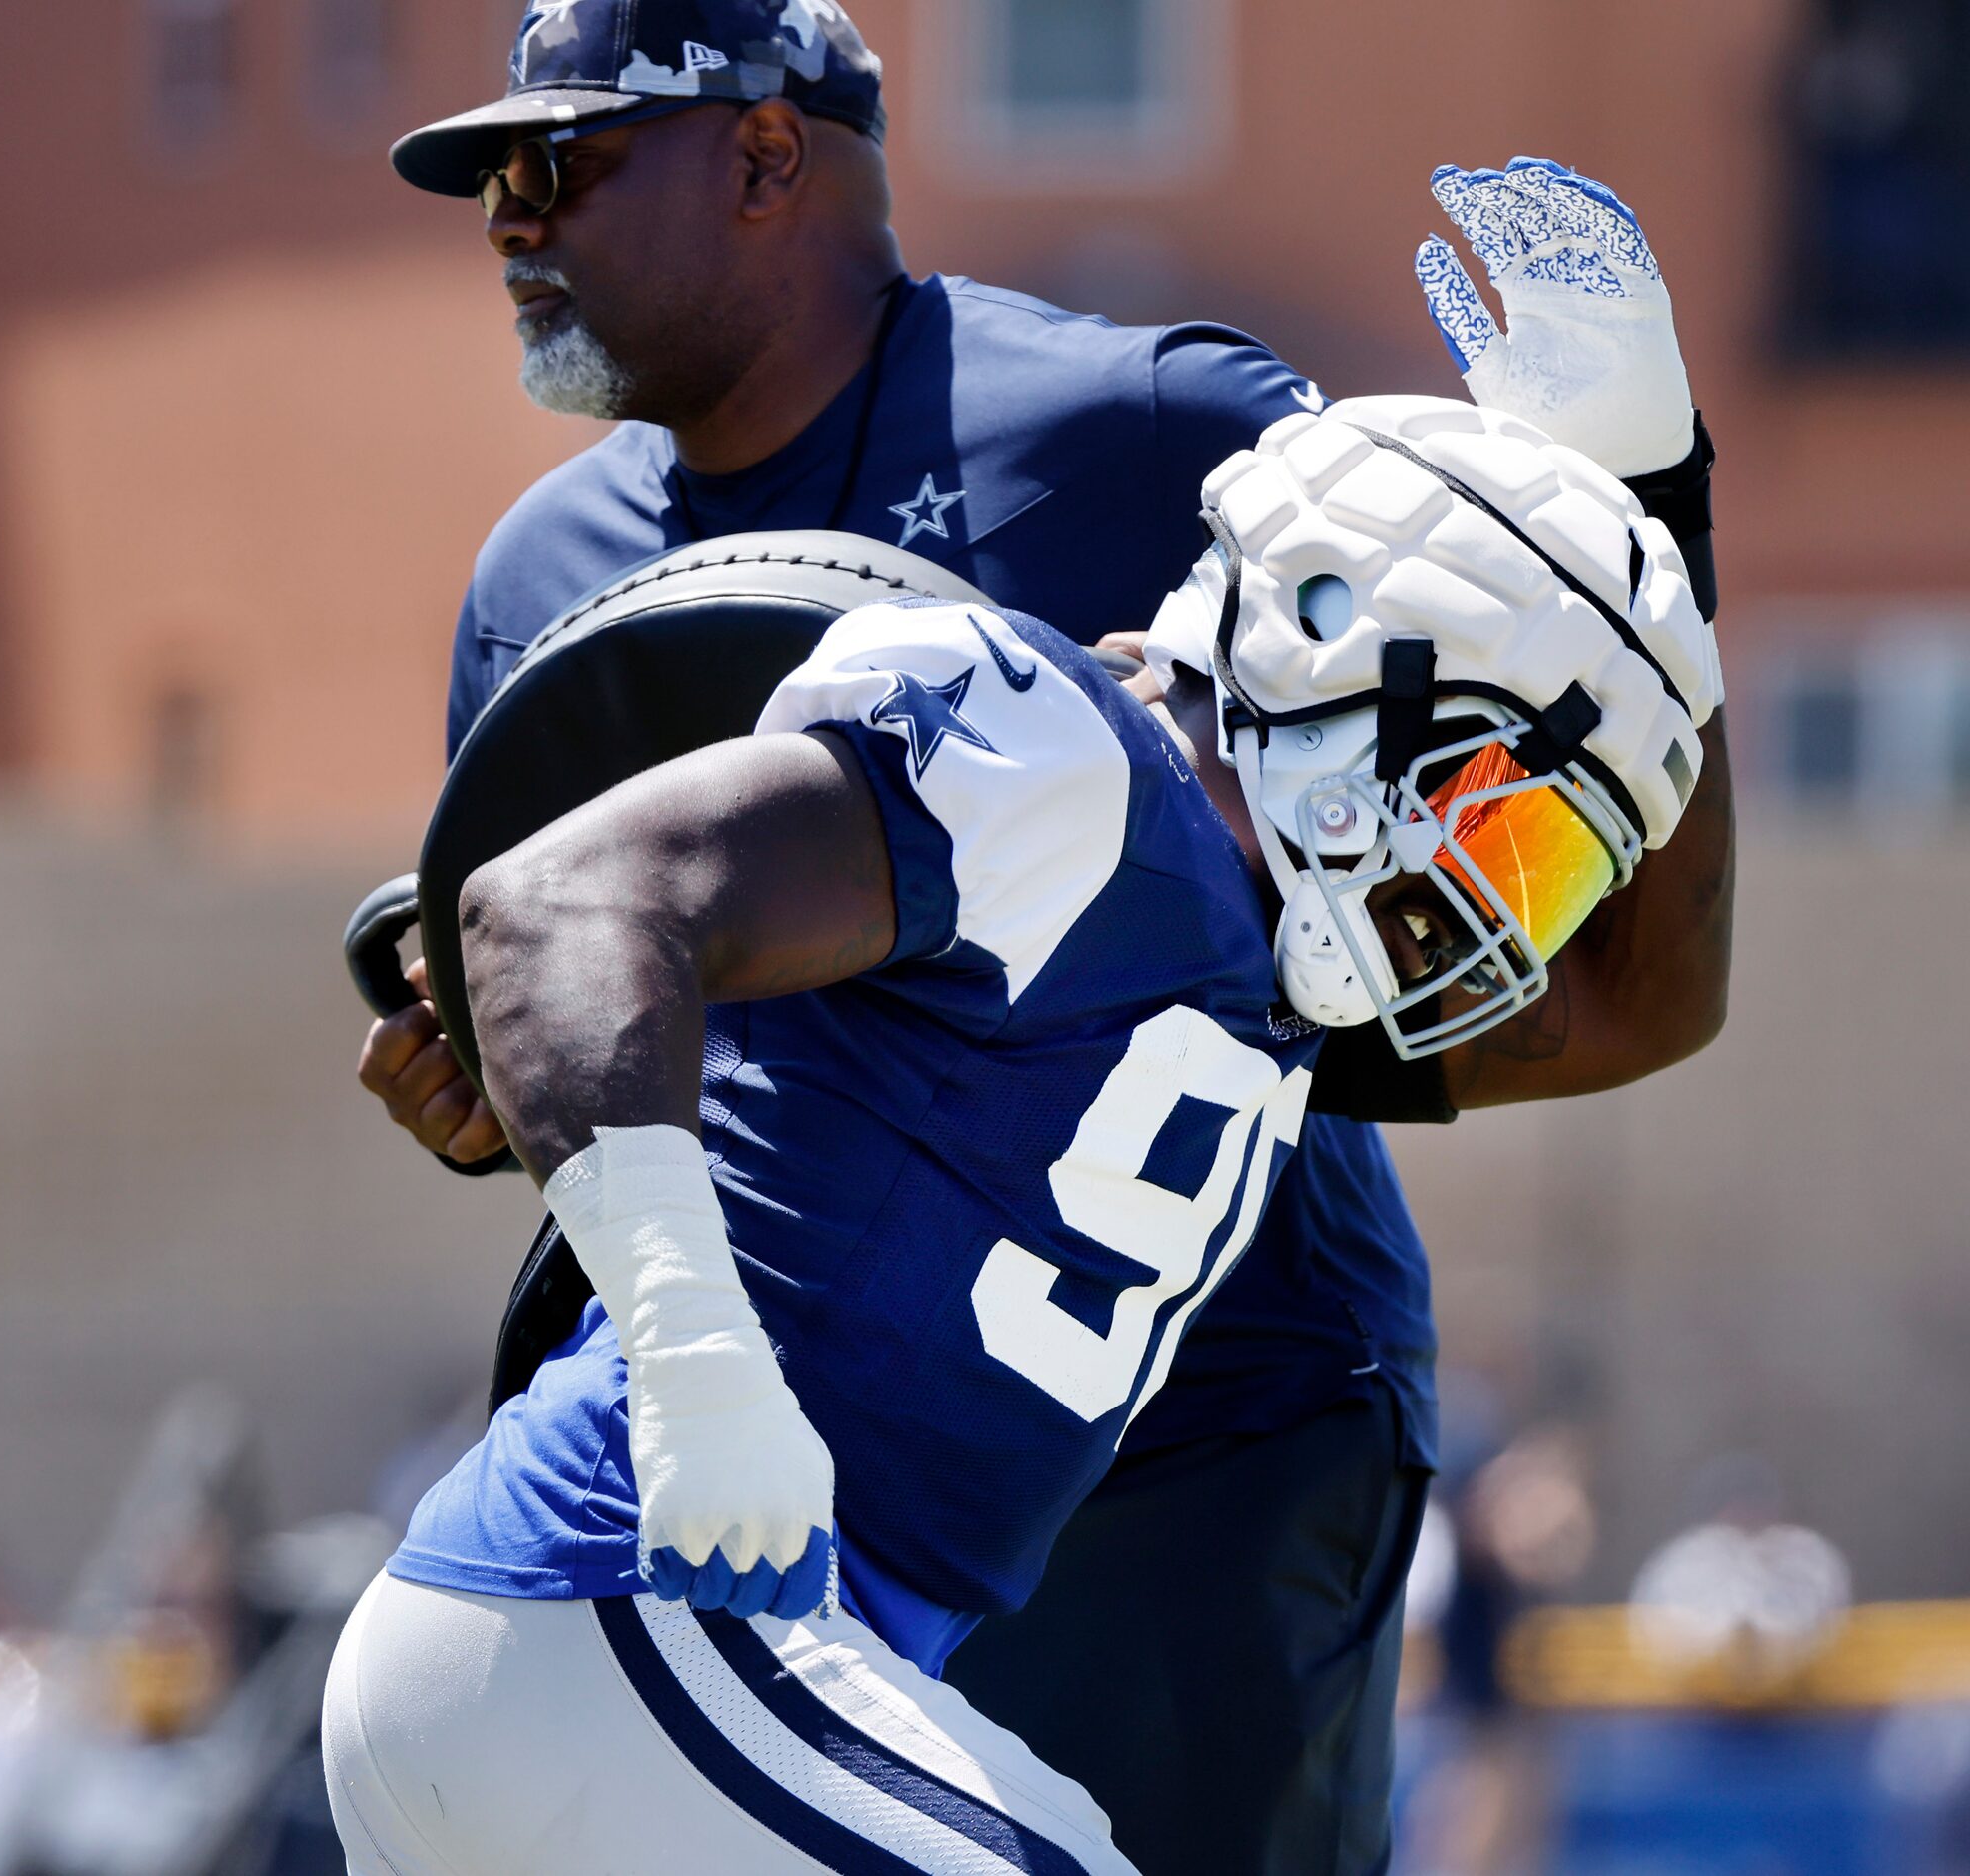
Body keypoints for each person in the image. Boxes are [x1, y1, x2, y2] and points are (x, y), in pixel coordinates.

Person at [358, 4, 1734, 1866]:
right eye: (499, 181)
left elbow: (1605, 951)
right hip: (757, 1470)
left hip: (1206, 1427)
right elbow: (579, 968)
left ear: (768, 157)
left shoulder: (1145, 428)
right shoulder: (535, 580)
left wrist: (1641, 494)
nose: (512, 220)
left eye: (563, 161)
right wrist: (504, 1102)